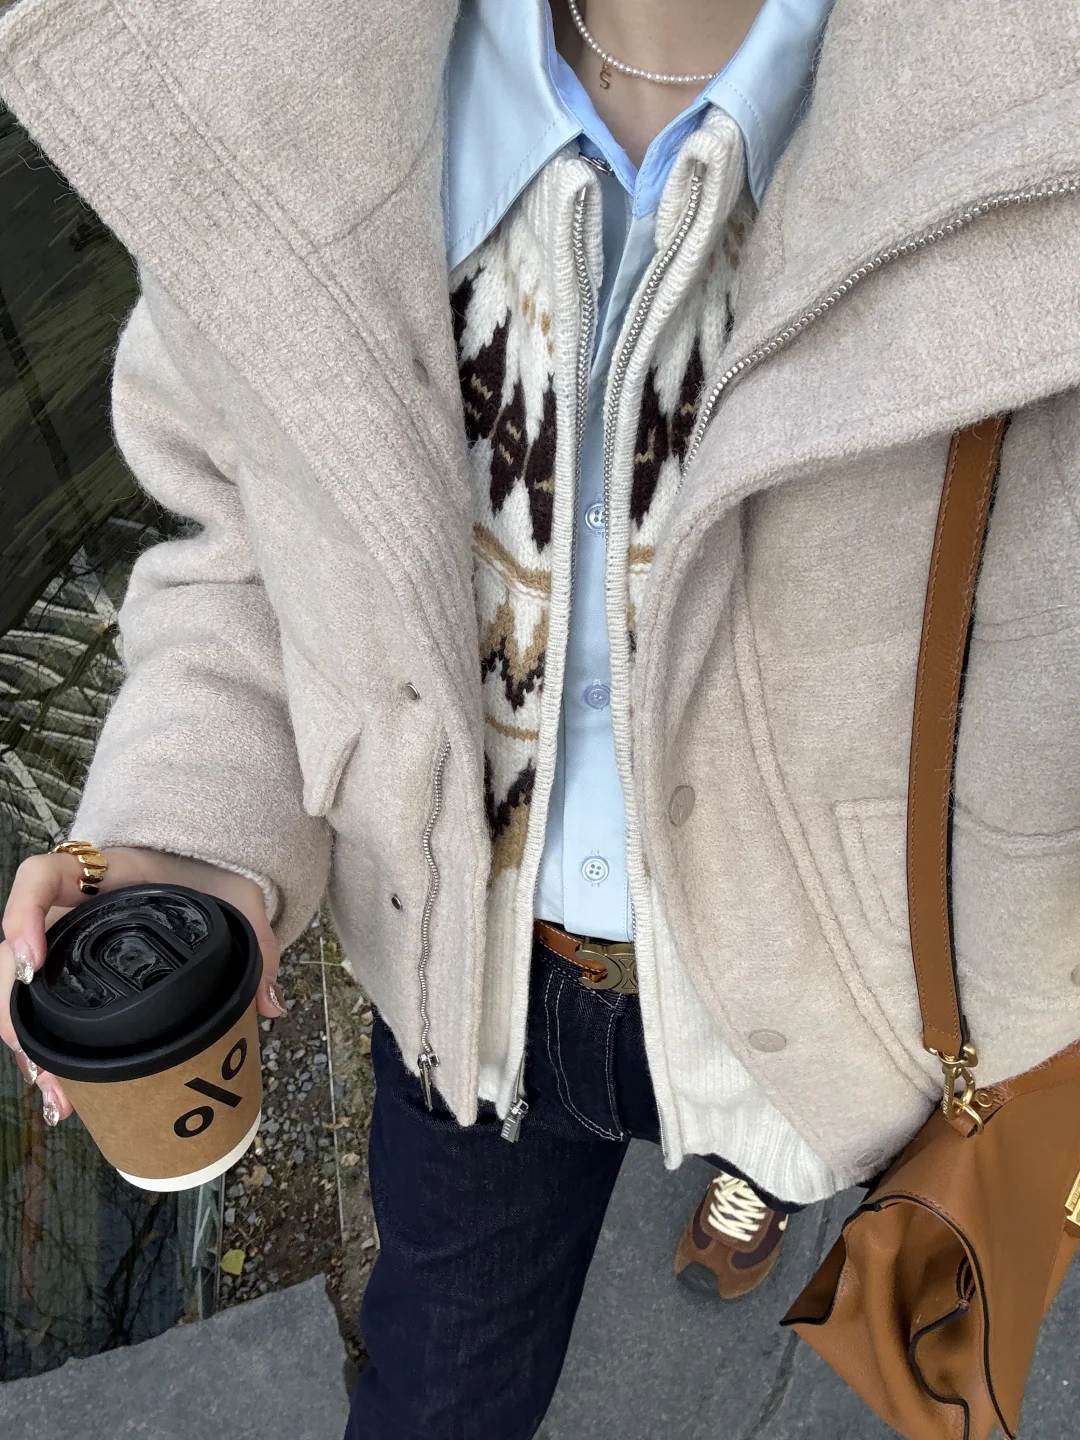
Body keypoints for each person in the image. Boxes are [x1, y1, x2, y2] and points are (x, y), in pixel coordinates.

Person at [1, 0, 1078, 1435]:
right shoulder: (268, 81)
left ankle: (757, 1154)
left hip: (862, 1013)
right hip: (469, 998)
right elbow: (246, 540)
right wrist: (193, 836)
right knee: (436, 1396)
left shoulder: (1034, 117)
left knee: (818, 1156)